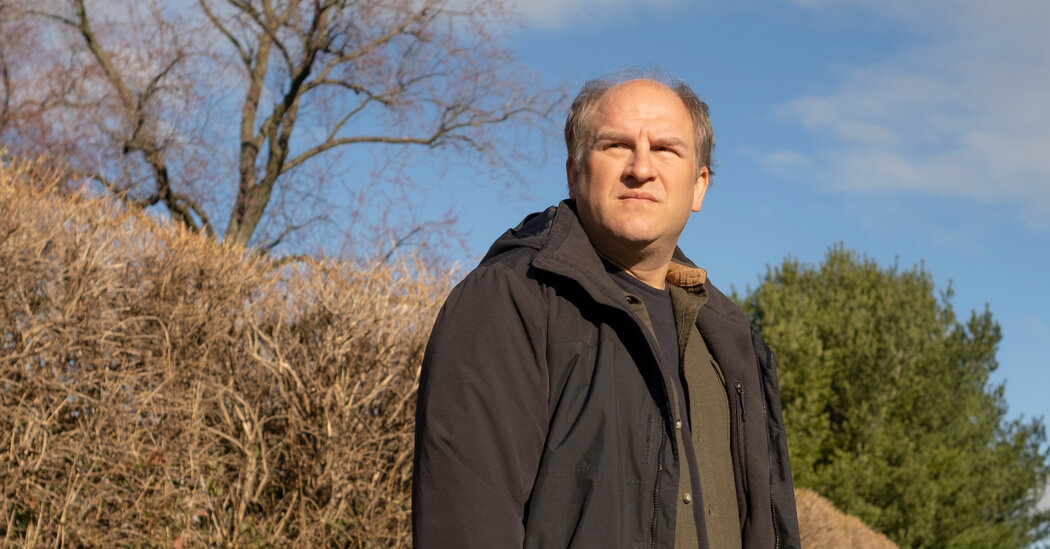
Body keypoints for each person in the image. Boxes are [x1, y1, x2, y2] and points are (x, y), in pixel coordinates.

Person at [413, 70, 801, 549]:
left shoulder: (730, 341)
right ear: (575, 173)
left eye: (665, 149)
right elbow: (467, 522)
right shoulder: (509, 299)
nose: (641, 168)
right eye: (616, 145)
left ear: (699, 186)